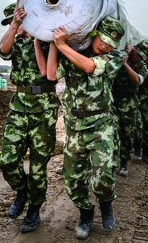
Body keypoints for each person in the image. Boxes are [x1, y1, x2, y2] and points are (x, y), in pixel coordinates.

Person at [46, 16, 125, 239]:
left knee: (103, 178)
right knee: (73, 179)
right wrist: (54, 43)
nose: (105, 46)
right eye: (104, 39)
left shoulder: (114, 57)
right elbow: (52, 75)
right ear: (94, 32)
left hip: (102, 126)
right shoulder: (73, 50)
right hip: (74, 127)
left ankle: (106, 205)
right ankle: (85, 212)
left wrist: (62, 46)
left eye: (111, 43)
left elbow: (91, 67)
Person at [0, 4, 59, 233]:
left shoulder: (45, 39)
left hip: (44, 110)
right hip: (19, 108)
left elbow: (51, 73)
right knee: (7, 161)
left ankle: (34, 209)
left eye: (19, 21)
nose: (16, 27)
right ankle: (21, 191)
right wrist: (13, 26)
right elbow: (3, 51)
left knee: (38, 166)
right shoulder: (14, 40)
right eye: (12, 23)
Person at [112, 39, 148, 177]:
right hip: (114, 102)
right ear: (134, 48)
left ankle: (124, 163)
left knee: (127, 136)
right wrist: (124, 59)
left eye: (142, 57)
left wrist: (126, 65)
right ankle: (112, 164)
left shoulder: (140, 65)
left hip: (129, 105)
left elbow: (137, 80)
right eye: (138, 54)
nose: (139, 57)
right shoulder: (124, 57)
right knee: (113, 134)